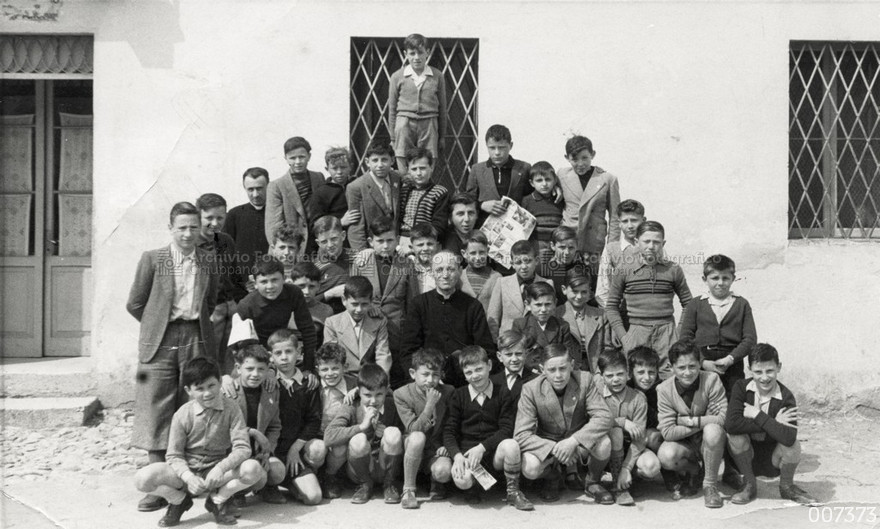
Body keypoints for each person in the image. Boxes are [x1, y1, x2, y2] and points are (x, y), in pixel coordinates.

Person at [127, 201, 218, 513]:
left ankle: (188, 479)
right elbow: (136, 303)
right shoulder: (155, 259)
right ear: (171, 228)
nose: (188, 233)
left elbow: (213, 298)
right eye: (182, 227)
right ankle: (157, 487)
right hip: (162, 339)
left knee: (190, 404)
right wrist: (157, 325)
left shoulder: (207, 259)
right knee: (157, 406)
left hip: (195, 334)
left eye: (194, 226)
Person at [133, 357, 261, 526]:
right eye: (199, 388)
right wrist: (188, 477)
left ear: (220, 381)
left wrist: (220, 468)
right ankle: (179, 501)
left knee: (253, 469)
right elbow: (174, 455)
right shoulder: (182, 414)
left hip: (217, 472)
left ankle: (218, 500)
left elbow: (243, 448)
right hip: (187, 471)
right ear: (189, 390)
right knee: (143, 479)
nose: (207, 393)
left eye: (211, 386)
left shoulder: (232, 409)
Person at [514, 344, 614, 504]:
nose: (558, 375)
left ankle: (593, 482)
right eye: (551, 370)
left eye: (563, 368)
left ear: (572, 365)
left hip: (578, 444)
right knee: (529, 467)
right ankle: (553, 476)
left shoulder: (585, 379)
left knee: (605, 444)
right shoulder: (530, 389)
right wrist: (556, 449)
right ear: (542, 369)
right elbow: (521, 434)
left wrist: (574, 441)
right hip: (548, 447)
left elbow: (604, 416)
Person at [438, 346, 534, 510]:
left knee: (511, 445)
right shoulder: (459, 395)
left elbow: (506, 428)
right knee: (462, 480)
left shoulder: (503, 392)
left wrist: (482, 448)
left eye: (479, 369)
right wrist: (457, 456)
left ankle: (512, 491)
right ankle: (473, 486)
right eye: (469, 372)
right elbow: (449, 431)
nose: (475, 376)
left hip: (494, 452)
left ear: (489, 365)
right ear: (463, 373)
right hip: (468, 455)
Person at [725, 343, 816, 505]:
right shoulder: (740, 387)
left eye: (770, 371)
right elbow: (731, 425)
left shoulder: (786, 396)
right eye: (758, 372)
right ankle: (749, 484)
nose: (764, 377)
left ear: (778, 367)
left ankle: (787, 486)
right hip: (746, 457)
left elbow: (788, 438)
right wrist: (773, 423)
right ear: (749, 369)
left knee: (794, 445)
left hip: (772, 459)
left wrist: (757, 414)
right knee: (735, 436)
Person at [605, 220, 693, 379]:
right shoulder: (624, 269)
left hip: (667, 331)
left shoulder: (673, 269)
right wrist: (625, 337)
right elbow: (611, 307)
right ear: (636, 242)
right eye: (646, 241)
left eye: (656, 242)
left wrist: (678, 333)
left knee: (670, 378)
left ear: (663, 243)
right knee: (638, 379)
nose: (651, 246)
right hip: (637, 331)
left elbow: (689, 304)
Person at [400, 250, 496, 388]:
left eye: (450, 269)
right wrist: (423, 379)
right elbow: (408, 351)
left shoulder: (473, 306)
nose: (445, 275)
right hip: (428, 381)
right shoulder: (418, 305)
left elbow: (485, 350)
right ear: (432, 272)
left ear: (459, 271)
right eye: (439, 270)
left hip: (465, 381)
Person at [656, 339, 728, 508]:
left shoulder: (711, 380)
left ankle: (710, 485)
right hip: (686, 445)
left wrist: (688, 421)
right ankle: (696, 470)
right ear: (671, 367)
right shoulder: (664, 389)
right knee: (666, 455)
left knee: (713, 430)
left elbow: (723, 419)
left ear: (699, 364)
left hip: (709, 443)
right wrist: (707, 418)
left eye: (692, 366)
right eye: (681, 367)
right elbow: (667, 432)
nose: (687, 372)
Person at [349, 216, 419, 388]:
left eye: (390, 240)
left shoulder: (406, 264)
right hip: (367, 327)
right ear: (370, 241)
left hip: (396, 331)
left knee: (396, 376)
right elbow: (354, 294)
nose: (386, 246)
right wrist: (369, 307)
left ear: (397, 240)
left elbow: (412, 302)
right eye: (380, 241)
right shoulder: (361, 263)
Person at [324, 363, 405, 504]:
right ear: (358, 392)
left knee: (393, 432)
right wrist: (361, 427)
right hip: (359, 469)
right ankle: (364, 485)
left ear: (386, 391)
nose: (373, 401)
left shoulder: (393, 405)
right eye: (367, 395)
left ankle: (389, 484)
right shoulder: (351, 405)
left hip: (385, 466)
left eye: (379, 394)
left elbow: (407, 433)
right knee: (358, 439)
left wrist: (384, 437)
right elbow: (329, 437)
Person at [680, 254, 757, 397]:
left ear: (733, 279)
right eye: (715, 278)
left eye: (725, 278)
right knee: (702, 399)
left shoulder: (742, 304)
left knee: (733, 400)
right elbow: (685, 338)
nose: (720, 283)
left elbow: (750, 339)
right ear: (705, 279)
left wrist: (730, 359)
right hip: (702, 361)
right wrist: (702, 362)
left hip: (732, 362)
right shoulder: (695, 304)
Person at [266, 329, 325, 506]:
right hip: (272, 451)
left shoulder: (308, 383)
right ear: (271, 357)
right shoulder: (267, 381)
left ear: (299, 353)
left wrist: (295, 449)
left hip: (295, 450)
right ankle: (268, 486)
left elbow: (314, 420)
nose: (284, 357)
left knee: (313, 497)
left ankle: (293, 482)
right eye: (278, 353)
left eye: (289, 351)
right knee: (275, 469)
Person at [392, 348, 455, 508]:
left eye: (435, 374)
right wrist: (430, 405)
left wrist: (445, 446)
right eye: (425, 374)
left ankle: (436, 482)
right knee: (417, 437)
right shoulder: (401, 394)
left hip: (435, 448)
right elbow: (414, 428)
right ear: (413, 373)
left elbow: (451, 423)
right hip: (412, 447)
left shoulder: (448, 391)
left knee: (443, 471)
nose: (430, 379)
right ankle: (409, 490)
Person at [556, 135, 621, 285]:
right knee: (567, 285)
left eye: (585, 158)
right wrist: (555, 189)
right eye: (574, 159)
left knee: (592, 285)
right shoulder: (561, 175)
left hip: (594, 242)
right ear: (567, 158)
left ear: (593, 154)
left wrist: (612, 246)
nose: (580, 163)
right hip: (569, 241)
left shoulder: (607, 179)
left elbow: (615, 216)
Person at [235, 256, 317, 373]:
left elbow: (308, 330)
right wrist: (265, 369)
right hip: (258, 354)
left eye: (275, 280)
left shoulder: (294, 293)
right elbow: (243, 346)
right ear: (255, 283)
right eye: (264, 281)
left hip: (283, 350)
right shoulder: (246, 305)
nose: (270, 286)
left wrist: (308, 368)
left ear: (283, 278)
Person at [196, 193, 248, 374]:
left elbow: (235, 275)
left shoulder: (226, 241)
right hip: (209, 311)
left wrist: (242, 305)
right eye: (209, 218)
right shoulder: (191, 245)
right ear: (198, 216)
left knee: (231, 356)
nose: (215, 223)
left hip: (230, 308)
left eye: (220, 217)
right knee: (208, 359)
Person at [230, 344, 286, 506]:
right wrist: (252, 432)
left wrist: (267, 452)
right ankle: (237, 491)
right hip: (234, 453)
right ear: (238, 368)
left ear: (268, 369)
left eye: (261, 369)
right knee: (258, 477)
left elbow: (275, 426)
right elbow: (223, 430)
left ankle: (266, 488)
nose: (255, 374)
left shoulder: (271, 390)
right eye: (250, 369)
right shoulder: (228, 391)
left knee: (278, 471)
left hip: (259, 452)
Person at [593, 349, 648, 506]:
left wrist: (626, 467)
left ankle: (624, 479)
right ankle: (594, 481)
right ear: (601, 376)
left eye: (620, 374)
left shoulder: (638, 398)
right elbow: (593, 423)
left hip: (627, 450)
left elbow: (640, 438)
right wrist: (622, 422)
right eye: (609, 376)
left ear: (628, 373)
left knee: (650, 465)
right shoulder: (595, 393)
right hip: (599, 447)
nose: (615, 380)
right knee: (615, 432)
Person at [388, 33, 447, 172]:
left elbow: (443, 108)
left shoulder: (437, 75)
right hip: (404, 123)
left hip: (429, 123)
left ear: (427, 52)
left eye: (420, 52)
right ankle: (405, 191)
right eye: (412, 53)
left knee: (428, 162)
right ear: (405, 54)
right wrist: (392, 137)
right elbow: (392, 109)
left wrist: (442, 136)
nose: (416, 57)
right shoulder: (397, 76)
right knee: (403, 161)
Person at [313, 343, 359, 499]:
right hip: (317, 434)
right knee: (316, 450)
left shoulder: (354, 383)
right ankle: (313, 474)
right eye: (324, 369)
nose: (330, 373)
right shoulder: (313, 385)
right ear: (317, 369)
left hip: (341, 434)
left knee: (340, 448)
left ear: (344, 367)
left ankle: (330, 476)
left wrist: (359, 389)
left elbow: (383, 388)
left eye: (335, 368)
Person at [265, 136, 325, 253]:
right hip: (291, 247)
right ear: (286, 158)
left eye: (301, 157)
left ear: (309, 156)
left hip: (317, 243)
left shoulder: (319, 177)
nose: (297, 162)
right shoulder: (276, 186)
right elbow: (274, 227)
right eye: (292, 158)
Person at [323, 275, 392, 376]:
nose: (359, 310)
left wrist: (380, 380)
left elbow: (383, 356)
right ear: (344, 300)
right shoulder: (332, 323)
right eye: (354, 304)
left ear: (371, 302)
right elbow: (331, 358)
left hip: (371, 379)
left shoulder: (378, 322)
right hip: (342, 378)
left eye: (364, 304)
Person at [465, 124, 532, 225]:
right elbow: (468, 200)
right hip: (484, 226)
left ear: (511, 146)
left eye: (502, 148)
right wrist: (481, 205)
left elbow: (535, 194)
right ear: (486, 146)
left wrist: (555, 187)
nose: (497, 152)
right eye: (492, 148)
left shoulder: (524, 168)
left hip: (515, 228)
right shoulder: (477, 170)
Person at [486, 240, 553, 341]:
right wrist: (497, 343)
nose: (524, 267)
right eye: (518, 262)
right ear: (512, 264)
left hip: (537, 343)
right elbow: (493, 318)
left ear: (537, 260)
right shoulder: (502, 283)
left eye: (528, 261)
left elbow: (551, 317)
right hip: (509, 344)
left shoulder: (547, 284)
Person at [347, 140, 400, 251]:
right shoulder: (356, 187)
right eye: (375, 160)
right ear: (367, 162)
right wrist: (362, 254)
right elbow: (356, 227)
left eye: (384, 160)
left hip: (395, 245)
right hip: (372, 246)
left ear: (393, 160)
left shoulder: (397, 179)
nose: (379, 165)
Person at [511, 282, 580, 367]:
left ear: (555, 303)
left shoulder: (562, 326)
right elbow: (516, 355)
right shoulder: (520, 325)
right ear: (527, 305)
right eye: (538, 305)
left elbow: (568, 355)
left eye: (548, 304)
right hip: (528, 372)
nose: (543, 309)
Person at [595, 199, 645, 308]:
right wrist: (613, 314)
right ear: (619, 223)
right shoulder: (611, 249)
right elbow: (603, 287)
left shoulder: (650, 247)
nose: (630, 226)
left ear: (643, 220)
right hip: (620, 311)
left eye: (634, 220)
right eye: (625, 221)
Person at [625, 346, 664, 485]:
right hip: (624, 442)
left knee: (654, 437)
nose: (646, 377)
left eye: (651, 372)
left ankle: (668, 474)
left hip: (645, 441)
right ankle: (626, 475)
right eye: (640, 372)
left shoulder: (661, 390)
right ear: (630, 372)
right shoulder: (624, 389)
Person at [555, 270, 606, 374]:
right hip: (567, 371)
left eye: (584, 292)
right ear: (564, 290)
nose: (579, 297)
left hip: (596, 370)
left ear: (590, 292)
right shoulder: (556, 315)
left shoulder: (601, 315)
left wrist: (600, 372)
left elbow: (608, 348)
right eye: (575, 291)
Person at [398, 148, 449, 248]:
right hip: (403, 240)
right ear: (408, 170)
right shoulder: (403, 191)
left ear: (431, 167)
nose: (418, 173)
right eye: (414, 169)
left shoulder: (439, 192)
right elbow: (398, 219)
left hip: (427, 242)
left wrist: (419, 241)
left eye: (422, 168)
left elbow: (439, 225)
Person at [308, 147, 360, 242]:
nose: (339, 172)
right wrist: (340, 222)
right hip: (334, 242)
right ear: (327, 169)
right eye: (334, 168)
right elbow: (315, 225)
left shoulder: (357, 185)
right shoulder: (321, 193)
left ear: (350, 167)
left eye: (343, 167)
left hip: (358, 238)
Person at [224, 167, 270, 268]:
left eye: (259, 188)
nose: (255, 194)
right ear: (244, 188)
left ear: (268, 186)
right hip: (242, 277)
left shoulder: (278, 212)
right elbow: (225, 250)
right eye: (250, 189)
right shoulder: (234, 214)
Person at [522, 161, 564, 264]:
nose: (544, 184)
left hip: (556, 248)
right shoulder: (527, 201)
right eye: (539, 180)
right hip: (536, 248)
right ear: (532, 183)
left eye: (548, 179)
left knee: (556, 274)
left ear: (555, 181)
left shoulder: (559, 200)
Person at [538, 226, 590, 308]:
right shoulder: (543, 270)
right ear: (553, 246)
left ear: (577, 246)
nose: (567, 252)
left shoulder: (583, 270)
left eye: (571, 248)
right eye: (562, 247)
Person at [311, 215, 351, 314]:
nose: (330, 245)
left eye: (333, 239)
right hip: (326, 317)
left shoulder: (359, 258)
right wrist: (330, 293)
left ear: (343, 236)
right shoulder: (314, 267)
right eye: (324, 241)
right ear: (318, 243)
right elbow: (306, 302)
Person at [458, 231, 501, 314]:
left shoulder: (497, 278)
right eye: (473, 253)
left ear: (487, 251)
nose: (477, 258)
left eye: (481, 252)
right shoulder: (459, 277)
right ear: (464, 254)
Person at [489, 330, 537, 402]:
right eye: (508, 354)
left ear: (526, 354)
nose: (514, 359)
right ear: (499, 356)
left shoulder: (536, 380)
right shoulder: (491, 382)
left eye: (518, 354)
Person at [289, 262, 334, 330]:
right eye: (301, 286)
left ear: (318, 286)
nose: (306, 292)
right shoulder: (281, 308)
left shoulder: (326, 311)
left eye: (312, 287)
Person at [441, 192, 478, 257]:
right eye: (460, 214)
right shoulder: (446, 241)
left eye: (471, 213)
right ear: (450, 217)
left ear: (477, 215)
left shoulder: (480, 233)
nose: (467, 219)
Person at [407, 222, 441, 293]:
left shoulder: (442, 269)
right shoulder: (407, 267)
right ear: (411, 247)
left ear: (437, 246)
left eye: (430, 244)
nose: (425, 248)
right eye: (420, 245)